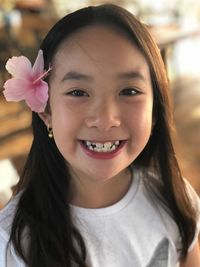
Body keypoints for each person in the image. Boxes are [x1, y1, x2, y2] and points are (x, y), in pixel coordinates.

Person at [0, 4, 200, 267]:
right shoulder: (14, 241)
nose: (105, 119)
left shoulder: (176, 198)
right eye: (78, 92)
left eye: (129, 91)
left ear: (155, 109)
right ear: (45, 111)